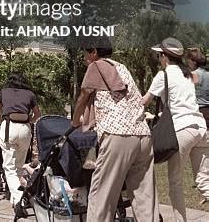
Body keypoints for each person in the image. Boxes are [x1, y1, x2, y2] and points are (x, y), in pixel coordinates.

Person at [72, 43, 159, 222]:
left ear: (94, 52)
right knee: (144, 195)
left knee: (102, 194)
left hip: (118, 134)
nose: (84, 59)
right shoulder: (121, 67)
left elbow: (83, 96)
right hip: (142, 134)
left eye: (85, 54)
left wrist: (75, 121)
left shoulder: (96, 66)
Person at [142, 37, 209, 221]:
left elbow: (144, 101)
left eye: (158, 56)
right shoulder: (187, 74)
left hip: (183, 129)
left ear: (164, 57)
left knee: (175, 182)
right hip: (201, 129)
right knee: (204, 182)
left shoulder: (163, 75)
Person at [0, 73, 41, 211]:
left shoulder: (3, 92)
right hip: (25, 130)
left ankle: (19, 198)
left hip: (9, 127)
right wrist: (28, 121)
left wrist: (1, 122)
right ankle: (15, 199)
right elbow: (37, 114)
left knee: (9, 167)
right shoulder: (30, 94)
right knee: (19, 166)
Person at [186, 48, 209, 128]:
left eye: (188, 61)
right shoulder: (207, 74)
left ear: (194, 62)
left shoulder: (192, 75)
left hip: (198, 112)